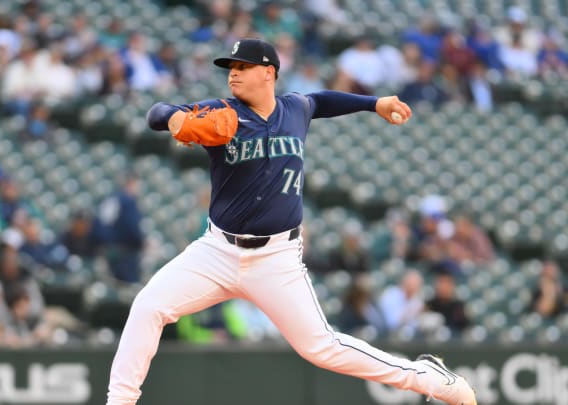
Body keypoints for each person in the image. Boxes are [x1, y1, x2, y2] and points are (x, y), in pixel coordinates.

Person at [105, 38, 476, 405]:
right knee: (148, 306)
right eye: (230, 69)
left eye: (242, 67)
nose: (232, 75)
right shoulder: (223, 113)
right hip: (217, 251)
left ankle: (428, 378)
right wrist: (176, 117)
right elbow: (156, 111)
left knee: (323, 348)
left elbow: (321, 101)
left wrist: (373, 103)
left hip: (276, 259)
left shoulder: (294, 109)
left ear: (269, 73)